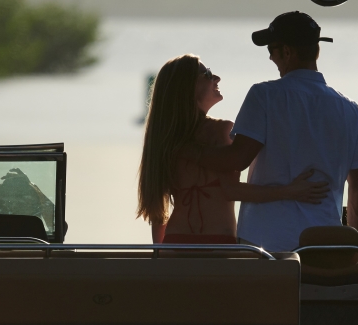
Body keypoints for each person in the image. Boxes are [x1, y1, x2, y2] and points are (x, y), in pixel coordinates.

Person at [199, 11, 358, 253]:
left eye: (271, 49)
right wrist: (356, 245)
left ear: (287, 52)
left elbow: (237, 159)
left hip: (265, 246)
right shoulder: (352, 110)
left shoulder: (264, 96)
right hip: (326, 246)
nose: (270, 57)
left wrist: (186, 150)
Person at [137, 54, 329, 244]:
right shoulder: (220, 130)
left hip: (175, 240)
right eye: (208, 74)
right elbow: (231, 191)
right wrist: (289, 191)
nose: (216, 78)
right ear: (189, 87)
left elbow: (157, 211)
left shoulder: (166, 139)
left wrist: (160, 253)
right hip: (217, 242)